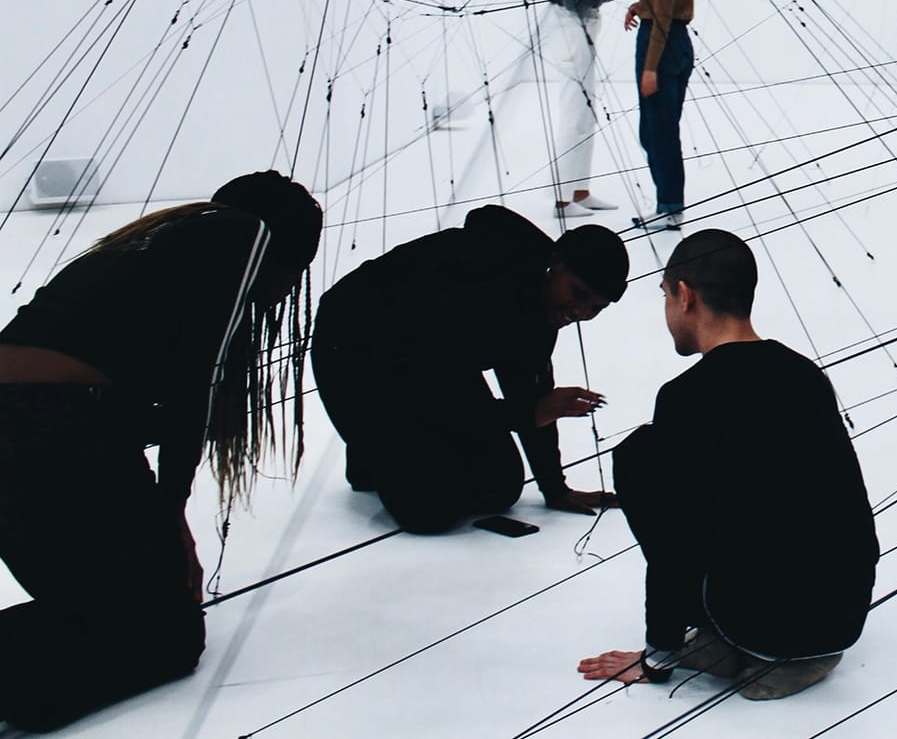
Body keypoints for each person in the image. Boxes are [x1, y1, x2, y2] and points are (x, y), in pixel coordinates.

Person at [0, 171, 323, 731]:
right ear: (286, 252)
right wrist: (171, 512)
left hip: (39, 429)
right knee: (170, 635)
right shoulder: (243, 232)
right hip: (53, 425)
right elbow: (196, 382)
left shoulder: (153, 245)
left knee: (91, 611)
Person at [578, 229, 877, 701]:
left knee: (639, 456)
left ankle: (763, 645)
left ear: (684, 296)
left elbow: (677, 541)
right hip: (842, 609)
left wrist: (660, 654)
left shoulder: (687, 397)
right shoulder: (804, 374)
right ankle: (772, 643)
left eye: (664, 296)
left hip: (774, 618)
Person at [310, 206, 627, 534]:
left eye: (595, 308)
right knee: (429, 512)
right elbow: (422, 386)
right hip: (354, 352)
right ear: (555, 263)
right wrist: (528, 413)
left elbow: (529, 389)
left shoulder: (542, 302)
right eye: (578, 294)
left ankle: (384, 449)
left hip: (435, 364)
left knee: (501, 487)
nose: (579, 311)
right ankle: (372, 446)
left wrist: (555, 488)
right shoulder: (479, 276)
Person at [543, 0, 638, 218]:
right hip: (571, 28)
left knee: (585, 113)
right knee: (575, 112)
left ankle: (579, 192)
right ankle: (562, 200)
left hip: (583, 26)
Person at [622, 0, 698, 228]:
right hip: (669, 40)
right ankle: (668, 205)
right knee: (656, 131)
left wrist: (651, 68)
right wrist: (640, 5)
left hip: (662, 44)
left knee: (659, 132)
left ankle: (670, 207)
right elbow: (666, 4)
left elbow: (665, 17)